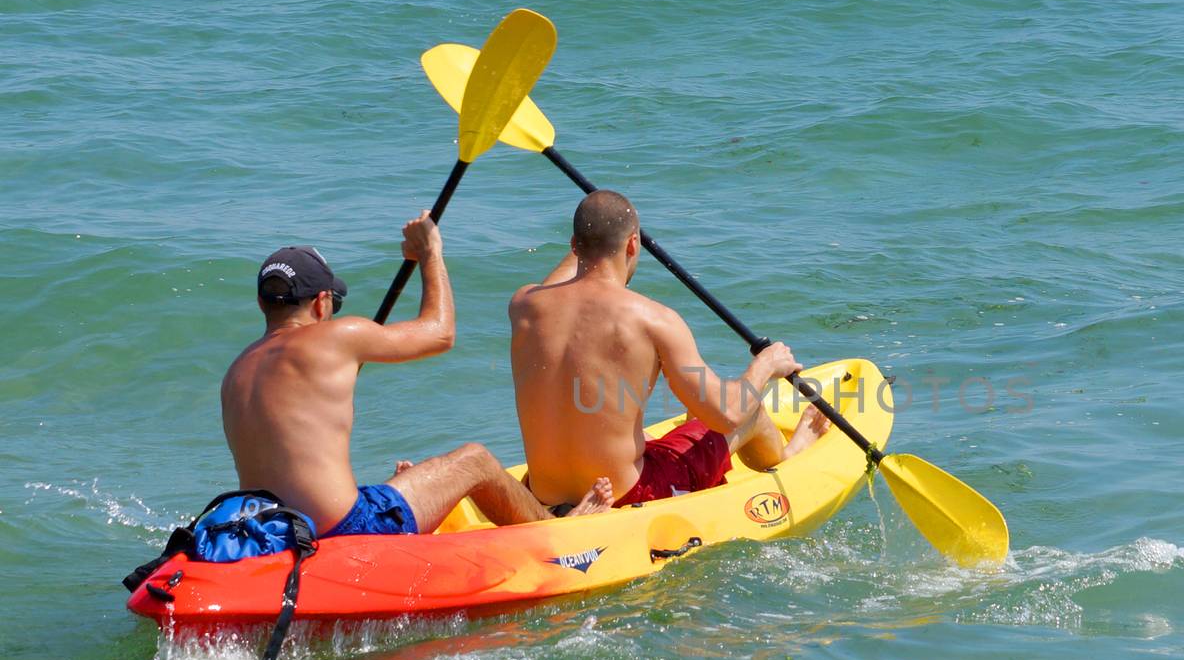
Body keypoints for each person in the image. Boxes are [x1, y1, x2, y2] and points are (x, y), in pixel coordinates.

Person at [222, 212, 612, 538]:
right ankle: (563, 532)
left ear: (262, 303)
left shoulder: (237, 371)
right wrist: (430, 252)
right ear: (323, 303)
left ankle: (406, 494)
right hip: (346, 526)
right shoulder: (333, 336)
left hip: (274, 530)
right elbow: (440, 334)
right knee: (475, 461)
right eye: (334, 303)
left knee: (410, 476)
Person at [508, 190, 830, 509]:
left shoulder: (524, 305)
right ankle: (790, 454)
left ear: (575, 245)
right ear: (634, 244)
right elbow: (727, 415)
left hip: (542, 499)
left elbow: (566, 274)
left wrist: (595, 230)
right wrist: (767, 363)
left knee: (681, 418)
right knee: (749, 410)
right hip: (627, 497)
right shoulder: (654, 320)